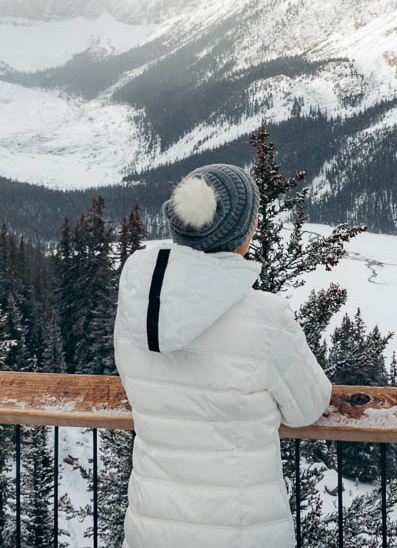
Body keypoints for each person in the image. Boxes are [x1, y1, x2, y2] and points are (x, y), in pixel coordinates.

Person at [113, 163, 333, 547]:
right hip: (241, 531)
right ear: (242, 234)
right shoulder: (266, 317)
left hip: (153, 527)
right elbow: (307, 408)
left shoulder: (140, 307)